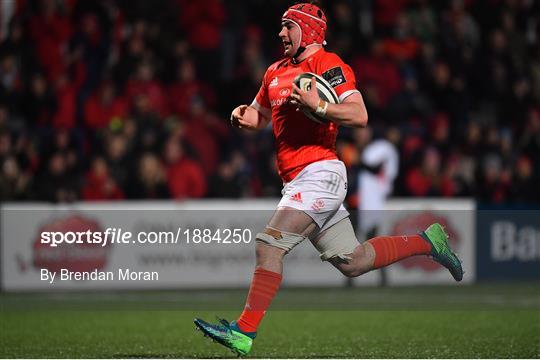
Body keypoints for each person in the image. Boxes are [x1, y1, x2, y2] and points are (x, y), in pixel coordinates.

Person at [194, 2, 463, 355]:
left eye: (288, 26)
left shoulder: (328, 65)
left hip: (321, 172)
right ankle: (429, 242)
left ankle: (243, 332)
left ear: (309, 30)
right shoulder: (274, 71)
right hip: (297, 179)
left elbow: (359, 114)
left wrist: (318, 106)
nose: (280, 33)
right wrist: (242, 116)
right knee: (354, 262)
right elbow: (258, 114)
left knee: (269, 245)